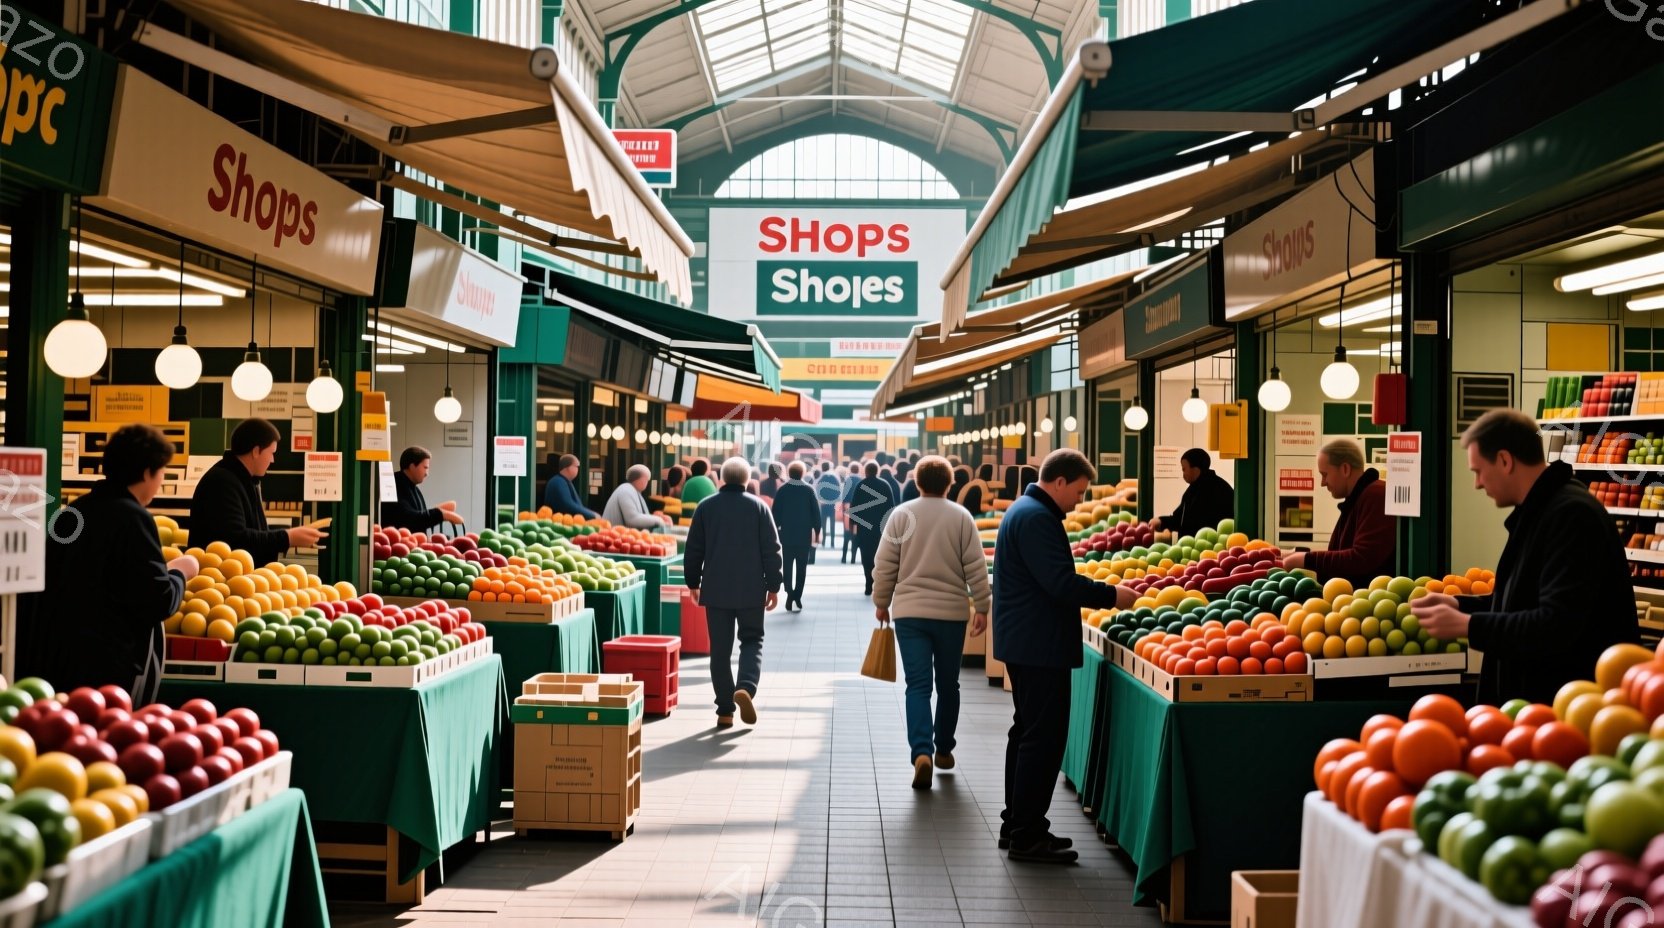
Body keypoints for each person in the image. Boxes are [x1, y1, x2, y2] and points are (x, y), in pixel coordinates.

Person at [1411, 409, 1636, 706]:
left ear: (1504, 461)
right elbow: (1519, 601)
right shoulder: (1541, 511)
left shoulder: (1571, 516)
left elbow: (1555, 625)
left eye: (1478, 471)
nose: (1477, 484)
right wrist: (1459, 604)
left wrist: (1467, 626)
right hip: (1541, 713)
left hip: (1564, 717)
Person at [995, 448, 1136, 864]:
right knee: (1042, 738)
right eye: (1078, 490)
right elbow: (1058, 582)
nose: (1079, 499)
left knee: (1025, 733)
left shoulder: (1024, 510)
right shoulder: (1037, 519)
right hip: (1038, 646)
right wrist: (1112, 595)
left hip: (1025, 642)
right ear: (1059, 482)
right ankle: (1027, 834)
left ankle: (1018, 823)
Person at [23, 424, 201, 705]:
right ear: (146, 473)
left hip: (53, 666)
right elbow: (158, 601)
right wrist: (180, 571)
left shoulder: (71, 513)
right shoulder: (133, 519)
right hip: (104, 676)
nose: (161, 482)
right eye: (162, 472)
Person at [871, 456, 991, 790]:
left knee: (918, 685)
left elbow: (885, 564)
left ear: (917, 482)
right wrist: (982, 606)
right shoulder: (962, 517)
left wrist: (881, 602)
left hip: (910, 614)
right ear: (950, 484)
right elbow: (976, 567)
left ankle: (921, 751)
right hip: (952, 614)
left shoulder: (901, 515)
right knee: (948, 683)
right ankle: (944, 749)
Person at [684, 458, 783, 728]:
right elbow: (772, 550)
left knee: (720, 650)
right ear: (746, 479)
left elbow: (693, 549)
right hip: (751, 589)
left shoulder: (706, 507)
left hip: (716, 590)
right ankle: (746, 687)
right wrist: (774, 586)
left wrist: (693, 582)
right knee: (752, 640)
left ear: (723, 479)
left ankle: (725, 711)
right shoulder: (759, 507)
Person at [191, 418, 325, 565]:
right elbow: (235, 540)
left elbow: (254, 534)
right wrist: (287, 538)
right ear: (256, 451)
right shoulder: (222, 482)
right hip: (218, 583)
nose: (272, 460)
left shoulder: (243, 479)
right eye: (271, 452)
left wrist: (289, 536)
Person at [1282, 440, 1395, 587]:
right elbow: (1340, 555)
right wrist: (1296, 553)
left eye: (1325, 474)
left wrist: (1305, 559)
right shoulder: (1358, 498)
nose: (1323, 482)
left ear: (1345, 469)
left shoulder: (1376, 495)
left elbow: (1361, 558)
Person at [772, 461, 822, 612]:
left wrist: (777, 530)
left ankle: (789, 593)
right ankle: (797, 596)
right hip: (803, 536)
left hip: (786, 536)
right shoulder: (808, 490)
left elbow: (775, 514)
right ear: (802, 473)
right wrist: (817, 531)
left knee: (787, 566)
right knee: (801, 568)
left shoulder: (782, 490)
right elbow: (816, 514)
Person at [1152, 449, 1234, 537]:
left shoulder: (1217, 490)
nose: (1183, 474)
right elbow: (1180, 519)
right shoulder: (1193, 490)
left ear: (1195, 469)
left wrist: (1163, 522)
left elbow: (1192, 522)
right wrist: (1161, 522)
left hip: (1208, 548)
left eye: (1184, 469)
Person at [381, 446, 464, 533]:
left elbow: (418, 518)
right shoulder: (393, 485)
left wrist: (436, 514)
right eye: (425, 468)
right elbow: (409, 519)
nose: (427, 474)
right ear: (412, 466)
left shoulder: (412, 488)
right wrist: (440, 514)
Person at [847, 461, 897, 596]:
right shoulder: (885, 485)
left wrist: (852, 526)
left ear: (866, 471)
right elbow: (891, 509)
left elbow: (854, 508)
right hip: (880, 529)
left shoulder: (861, 485)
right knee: (880, 556)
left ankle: (868, 583)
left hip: (864, 528)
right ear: (877, 471)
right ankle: (877, 583)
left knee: (866, 557)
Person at [602, 464, 673, 529]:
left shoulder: (633, 490)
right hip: (613, 537)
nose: (647, 483)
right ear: (641, 479)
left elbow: (639, 516)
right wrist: (658, 520)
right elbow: (632, 519)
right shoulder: (626, 490)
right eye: (646, 480)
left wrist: (656, 517)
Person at [542, 453, 598, 519]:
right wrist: (592, 515)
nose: (578, 469)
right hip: (559, 524)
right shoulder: (558, 481)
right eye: (576, 466)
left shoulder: (565, 481)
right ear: (568, 467)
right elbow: (568, 505)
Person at [816, 462, 843, 548]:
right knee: (832, 522)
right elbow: (838, 490)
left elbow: (818, 489)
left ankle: (823, 541)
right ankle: (832, 541)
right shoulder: (835, 477)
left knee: (823, 522)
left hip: (823, 503)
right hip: (832, 503)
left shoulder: (821, 477)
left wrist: (820, 500)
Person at [840, 464, 862, 564]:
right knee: (856, 533)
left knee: (847, 532)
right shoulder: (861, 480)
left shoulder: (847, 480)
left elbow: (844, 495)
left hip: (848, 508)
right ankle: (853, 558)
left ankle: (844, 557)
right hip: (859, 509)